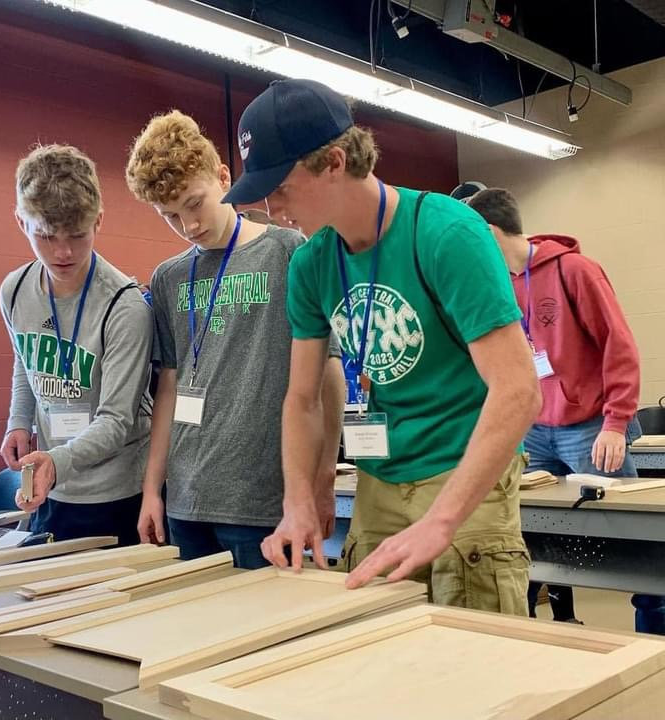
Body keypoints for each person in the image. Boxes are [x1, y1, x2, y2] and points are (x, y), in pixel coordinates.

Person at [223, 78, 541, 613]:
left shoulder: (446, 234)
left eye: (281, 187)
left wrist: (442, 521)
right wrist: (299, 497)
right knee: (375, 648)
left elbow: (518, 390)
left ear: (333, 162)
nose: (273, 209)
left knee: (474, 657)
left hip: (465, 474)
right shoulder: (311, 264)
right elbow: (301, 399)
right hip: (380, 479)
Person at [125, 110, 344, 569]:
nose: (188, 225)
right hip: (186, 500)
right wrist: (152, 489)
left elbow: (328, 375)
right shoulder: (168, 278)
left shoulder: (289, 253)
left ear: (224, 177)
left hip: (262, 501)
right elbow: (169, 386)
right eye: (169, 215)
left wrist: (322, 481)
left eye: (194, 203)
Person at [468, 187, 663, 633]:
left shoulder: (575, 270)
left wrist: (615, 423)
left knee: (633, 538)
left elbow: (620, 346)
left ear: (489, 232)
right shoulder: (499, 284)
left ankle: (655, 631)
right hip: (534, 427)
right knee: (534, 535)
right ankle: (553, 626)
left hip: (591, 426)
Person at [0, 144, 153, 545]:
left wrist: (57, 461)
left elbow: (118, 420)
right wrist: (18, 420)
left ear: (98, 221)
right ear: (21, 222)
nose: (63, 251)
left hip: (116, 493)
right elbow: (25, 360)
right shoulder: (14, 291)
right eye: (46, 236)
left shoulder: (125, 305)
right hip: (54, 486)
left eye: (77, 235)